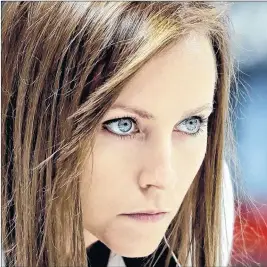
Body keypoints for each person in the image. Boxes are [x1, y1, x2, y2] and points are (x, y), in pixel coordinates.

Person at [1, 2, 237, 267]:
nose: (163, 178)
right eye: (123, 125)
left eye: (191, 124)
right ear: (38, 115)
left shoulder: (204, 202)